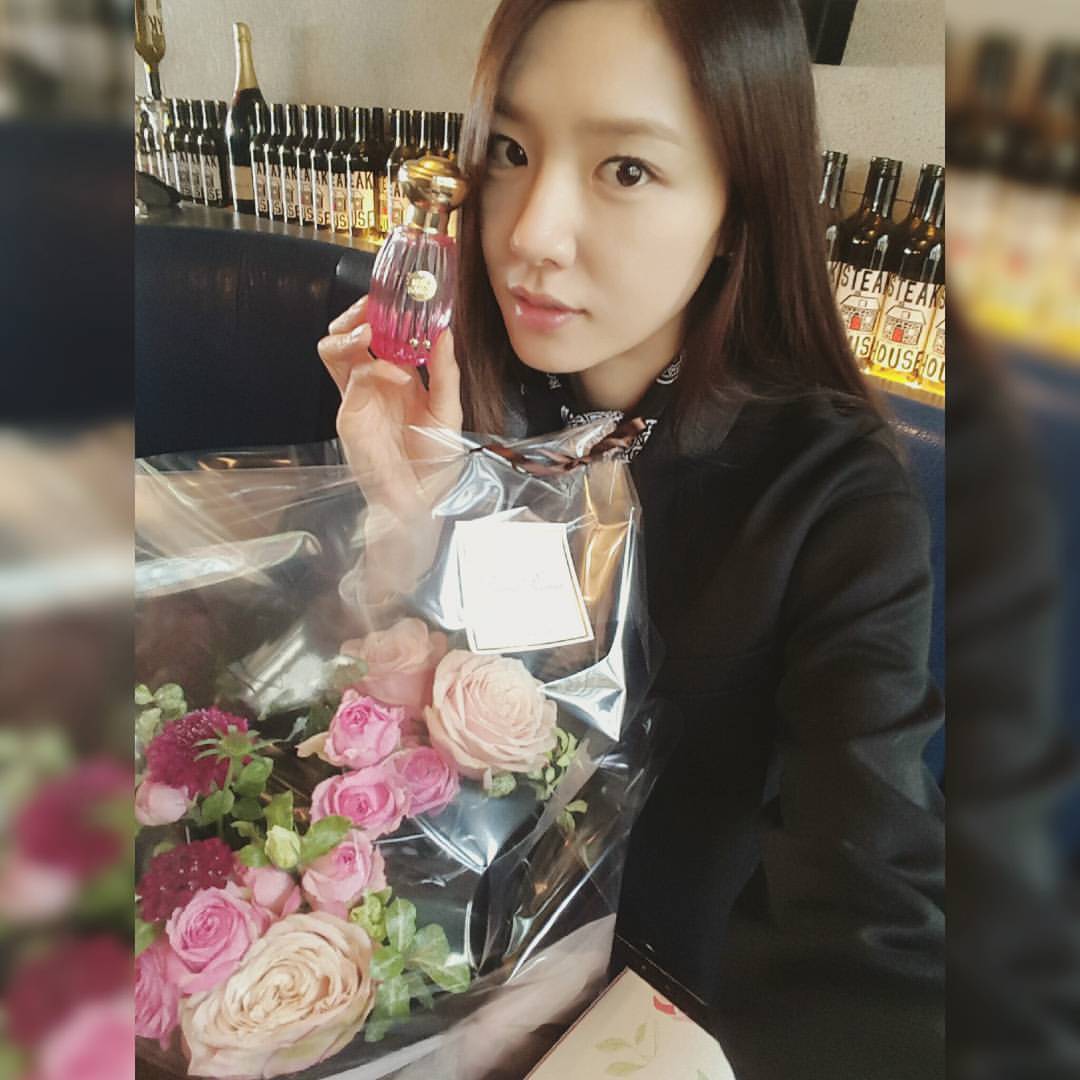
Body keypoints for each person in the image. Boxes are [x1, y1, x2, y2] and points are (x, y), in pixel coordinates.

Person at [319, 0, 945, 1074]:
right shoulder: (460, 394)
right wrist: (401, 520)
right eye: (512, 151)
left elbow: (870, 901)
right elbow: (355, 734)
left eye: (626, 169)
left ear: (739, 209)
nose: (530, 233)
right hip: (426, 967)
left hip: (649, 1018)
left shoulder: (829, 494)